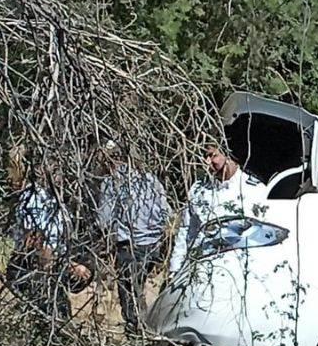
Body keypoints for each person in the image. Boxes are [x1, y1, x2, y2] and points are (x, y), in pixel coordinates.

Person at [4, 148, 91, 322]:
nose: (60, 177)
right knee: (50, 316)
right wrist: (49, 275)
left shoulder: (57, 201)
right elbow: (39, 242)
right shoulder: (36, 198)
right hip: (36, 269)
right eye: (54, 171)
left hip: (51, 267)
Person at [95, 141, 171, 332]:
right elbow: (166, 213)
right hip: (153, 245)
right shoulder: (151, 179)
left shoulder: (111, 183)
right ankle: (146, 326)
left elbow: (104, 219)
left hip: (129, 246)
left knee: (129, 291)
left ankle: (138, 330)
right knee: (141, 287)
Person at [168, 145, 267, 276]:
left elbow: (261, 236)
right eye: (205, 157)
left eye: (212, 155)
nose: (207, 162)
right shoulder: (199, 190)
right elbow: (186, 230)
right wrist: (175, 268)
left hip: (237, 272)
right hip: (198, 269)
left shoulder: (254, 190)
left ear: (228, 155)